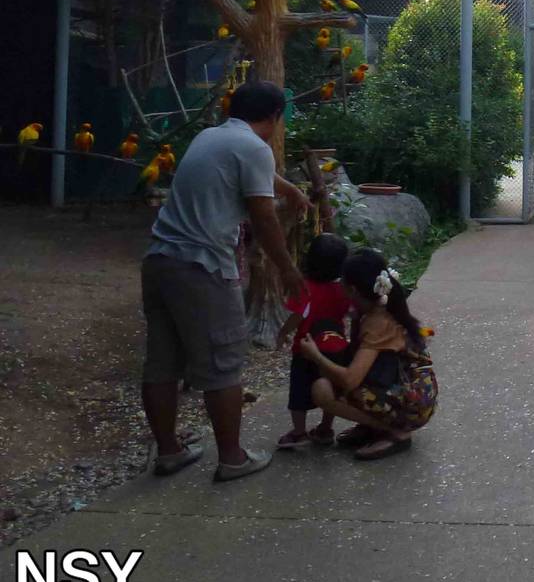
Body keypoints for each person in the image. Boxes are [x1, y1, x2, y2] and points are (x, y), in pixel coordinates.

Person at [140, 81, 308, 482]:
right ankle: (232, 458)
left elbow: (256, 177)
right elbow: (263, 215)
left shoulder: (211, 136)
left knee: (163, 362)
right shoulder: (255, 147)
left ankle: (168, 452)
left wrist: (292, 190)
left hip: (160, 261)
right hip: (202, 268)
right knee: (224, 364)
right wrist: (288, 269)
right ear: (274, 117)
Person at [299, 248, 438, 461]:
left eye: (341, 281)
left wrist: (315, 355)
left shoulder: (377, 322)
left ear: (353, 290)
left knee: (323, 390)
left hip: (413, 405)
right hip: (410, 394)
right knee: (334, 371)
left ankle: (394, 431)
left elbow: (350, 379)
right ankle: (372, 426)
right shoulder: (380, 305)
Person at [275, 232, 352, 450]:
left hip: (306, 350)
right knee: (331, 389)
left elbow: (298, 315)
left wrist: (283, 333)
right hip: (335, 348)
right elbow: (349, 312)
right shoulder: (343, 289)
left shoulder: (305, 288)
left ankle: (299, 431)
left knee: (299, 392)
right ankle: (325, 428)